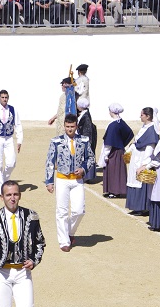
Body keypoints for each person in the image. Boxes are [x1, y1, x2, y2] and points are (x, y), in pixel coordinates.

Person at [44, 114, 95, 251]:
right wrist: (49, 181)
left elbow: (90, 158)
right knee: (62, 212)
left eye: (72, 127)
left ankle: (69, 232)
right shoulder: (56, 141)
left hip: (77, 181)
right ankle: (64, 242)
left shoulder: (84, 140)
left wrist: (83, 169)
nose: (70, 129)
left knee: (79, 211)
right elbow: (50, 162)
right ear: (64, 126)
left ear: (76, 126)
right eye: (67, 127)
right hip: (62, 179)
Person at [125, 106, 158, 216]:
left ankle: (142, 207)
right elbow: (136, 141)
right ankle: (135, 206)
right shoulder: (144, 127)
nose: (140, 116)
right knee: (133, 179)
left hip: (142, 158)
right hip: (136, 157)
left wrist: (144, 163)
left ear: (148, 116)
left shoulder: (152, 129)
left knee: (140, 181)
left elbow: (150, 146)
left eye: (142, 114)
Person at [98, 103, 133, 198]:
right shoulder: (121, 122)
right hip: (120, 149)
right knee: (117, 171)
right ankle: (112, 190)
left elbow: (108, 143)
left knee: (113, 171)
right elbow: (129, 133)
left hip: (113, 151)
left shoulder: (113, 125)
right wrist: (122, 143)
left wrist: (105, 155)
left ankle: (114, 191)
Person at [75, 97, 97, 178]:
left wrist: (85, 142)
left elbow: (87, 131)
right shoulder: (84, 114)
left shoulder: (86, 117)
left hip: (85, 140)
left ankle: (88, 176)